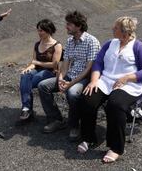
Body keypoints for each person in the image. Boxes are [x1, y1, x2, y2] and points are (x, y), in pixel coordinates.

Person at [77, 16, 142, 163]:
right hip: (106, 81)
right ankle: (89, 138)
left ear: (124, 32)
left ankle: (116, 147)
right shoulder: (109, 44)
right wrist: (94, 81)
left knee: (115, 105)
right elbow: (98, 63)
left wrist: (126, 78)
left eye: (115, 28)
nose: (112, 29)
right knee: (87, 99)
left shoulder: (138, 47)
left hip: (129, 84)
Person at [38, 11, 100, 141]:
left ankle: (74, 125)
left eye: (69, 24)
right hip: (70, 75)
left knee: (72, 93)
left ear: (79, 26)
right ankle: (56, 120)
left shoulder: (91, 41)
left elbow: (89, 69)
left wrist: (69, 84)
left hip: (84, 78)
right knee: (43, 86)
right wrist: (61, 78)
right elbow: (65, 64)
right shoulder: (70, 41)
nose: (66, 26)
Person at [18, 19, 62, 122]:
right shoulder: (37, 44)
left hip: (50, 72)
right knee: (25, 76)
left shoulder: (57, 45)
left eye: (41, 30)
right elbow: (33, 62)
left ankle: (28, 110)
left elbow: (54, 64)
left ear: (48, 31)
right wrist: (27, 69)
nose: (39, 33)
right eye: (38, 30)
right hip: (37, 70)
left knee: (26, 84)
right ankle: (26, 108)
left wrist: (38, 63)